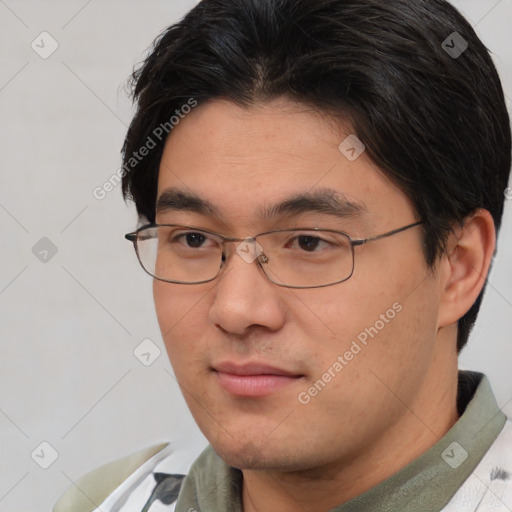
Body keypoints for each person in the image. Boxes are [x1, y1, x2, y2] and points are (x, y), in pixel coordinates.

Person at [54, 0, 512, 510]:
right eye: (193, 239)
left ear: (459, 266)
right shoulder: (109, 501)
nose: (235, 309)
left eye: (310, 242)